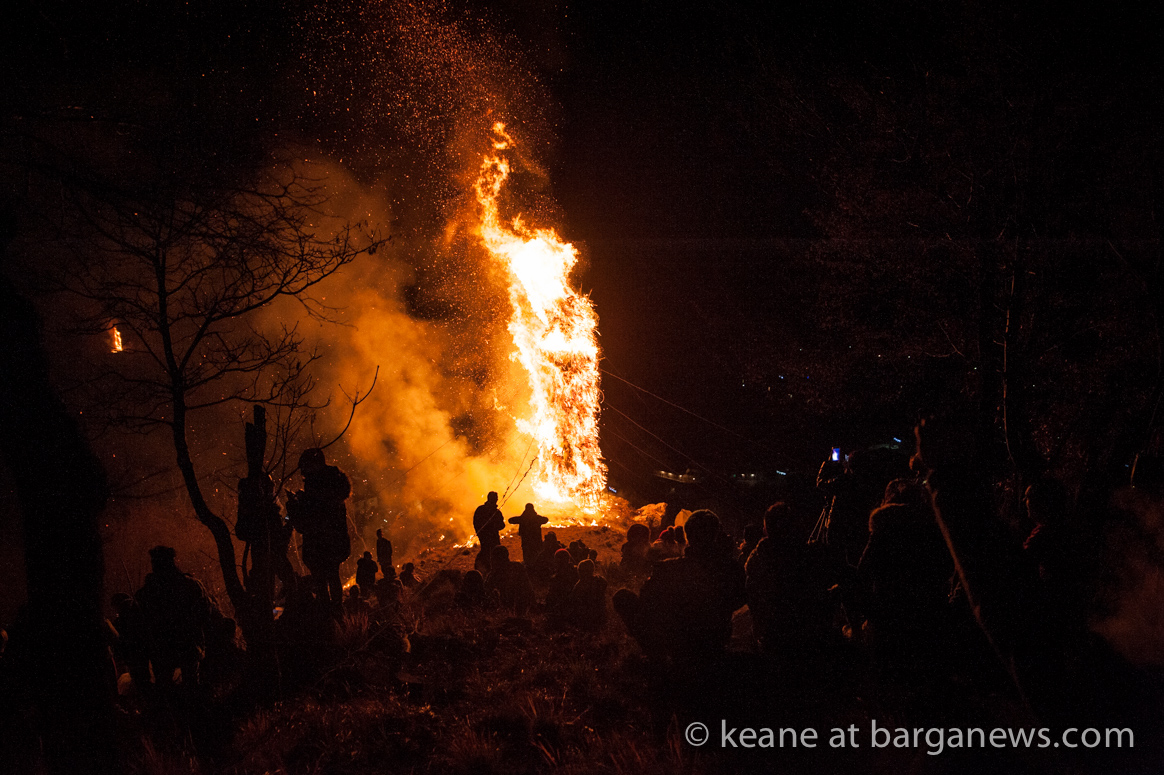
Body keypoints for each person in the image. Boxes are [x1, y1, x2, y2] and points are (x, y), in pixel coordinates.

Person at [615, 510, 746, 664]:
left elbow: (646, 600)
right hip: (715, 639)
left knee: (622, 597)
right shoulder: (732, 569)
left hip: (676, 642)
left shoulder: (669, 569)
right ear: (716, 535)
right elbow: (740, 599)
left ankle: (657, 659)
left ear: (688, 536)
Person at [134, 546, 214, 692]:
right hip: (186, 642)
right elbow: (205, 613)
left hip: (164, 645)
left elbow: (140, 622)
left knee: (165, 685)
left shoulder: (147, 591)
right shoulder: (190, 585)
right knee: (190, 683)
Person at [286, 448, 352, 606]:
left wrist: (295, 505)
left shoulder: (316, 485)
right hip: (335, 542)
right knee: (333, 576)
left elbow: (309, 519)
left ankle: (327, 612)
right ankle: (336, 610)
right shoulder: (334, 483)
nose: (303, 473)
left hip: (319, 545)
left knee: (321, 580)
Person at [485, 545, 534, 616]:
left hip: (511, 607)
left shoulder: (495, 574)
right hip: (525, 605)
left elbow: (487, 591)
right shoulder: (517, 566)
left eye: (492, 558)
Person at [570, 559, 608, 631]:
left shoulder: (580, 586)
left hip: (585, 619)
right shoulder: (599, 581)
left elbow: (574, 602)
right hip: (600, 615)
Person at [473, 492, 506, 574]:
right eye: (496, 498)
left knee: (486, 551)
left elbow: (476, 522)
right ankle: (489, 570)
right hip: (490, 536)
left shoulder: (481, 509)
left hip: (485, 536)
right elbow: (501, 525)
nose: (497, 499)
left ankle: (485, 570)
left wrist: (479, 532)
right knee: (491, 552)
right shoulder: (494, 512)